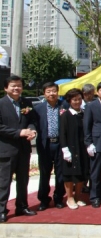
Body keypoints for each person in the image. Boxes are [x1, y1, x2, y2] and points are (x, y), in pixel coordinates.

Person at [0, 75, 37, 222]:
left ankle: (22, 206)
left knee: (23, 180)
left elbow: (32, 121)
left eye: (19, 85)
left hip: (24, 149)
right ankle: (2, 209)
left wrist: (32, 130)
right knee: (4, 182)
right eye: (13, 86)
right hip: (7, 149)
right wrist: (18, 132)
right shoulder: (1, 104)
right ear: (6, 88)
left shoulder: (26, 103)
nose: (16, 88)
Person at [34, 82, 65, 211]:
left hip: (60, 144)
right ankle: (44, 199)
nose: (51, 94)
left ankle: (58, 198)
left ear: (58, 92)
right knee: (45, 173)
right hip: (45, 145)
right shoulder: (38, 109)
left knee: (61, 173)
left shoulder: (64, 106)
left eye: (54, 91)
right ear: (44, 93)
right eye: (48, 91)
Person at [59, 89, 90, 209]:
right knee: (70, 174)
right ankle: (70, 198)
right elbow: (62, 133)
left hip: (83, 148)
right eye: (74, 99)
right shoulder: (66, 115)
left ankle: (78, 196)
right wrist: (65, 149)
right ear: (69, 101)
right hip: (70, 148)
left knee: (82, 173)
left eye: (79, 99)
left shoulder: (84, 113)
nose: (77, 102)